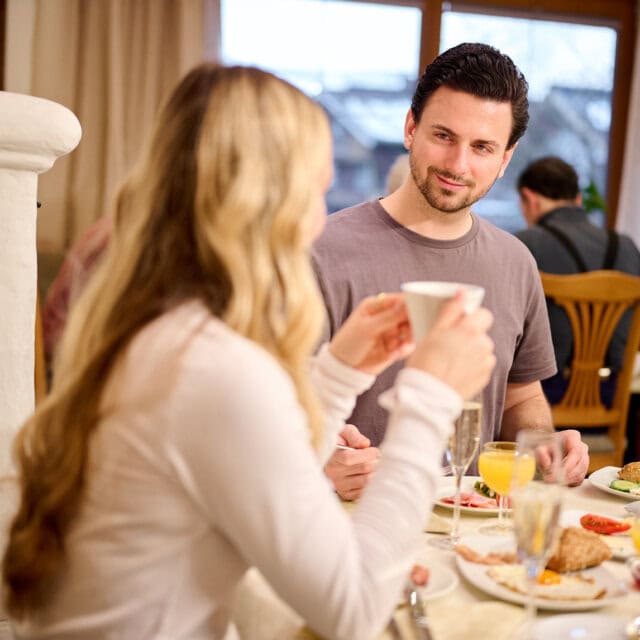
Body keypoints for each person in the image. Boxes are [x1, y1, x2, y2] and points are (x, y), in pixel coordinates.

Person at [2, 64, 497, 640]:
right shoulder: (216, 367)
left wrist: (339, 372)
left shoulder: (155, 326)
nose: (319, 220)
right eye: (314, 192)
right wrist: (430, 397)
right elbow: (355, 610)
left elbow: (253, 464)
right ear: (265, 202)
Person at [313, 42, 590, 499]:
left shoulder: (516, 262)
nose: (458, 165)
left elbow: (521, 397)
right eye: (444, 136)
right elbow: (281, 411)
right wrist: (320, 461)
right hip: (357, 520)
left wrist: (543, 445)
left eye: (482, 147)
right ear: (410, 128)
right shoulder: (322, 250)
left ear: (504, 160)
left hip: (476, 523)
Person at [515, 156, 640, 404]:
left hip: (546, 398)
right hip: (613, 397)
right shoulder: (626, 246)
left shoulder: (524, 246)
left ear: (530, 199)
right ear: (578, 200)